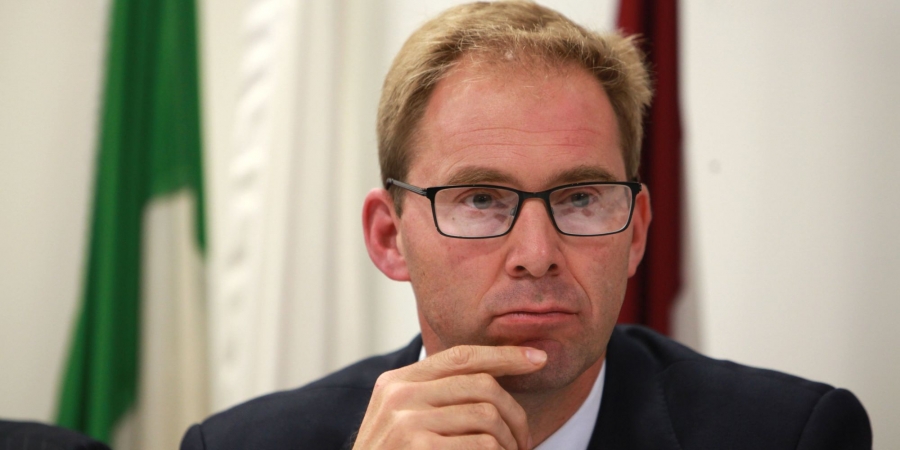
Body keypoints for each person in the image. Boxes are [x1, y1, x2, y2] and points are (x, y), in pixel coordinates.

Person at [181, 1, 872, 449]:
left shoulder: (790, 435)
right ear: (390, 238)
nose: (537, 254)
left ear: (636, 233)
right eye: (482, 199)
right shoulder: (242, 446)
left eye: (581, 199)